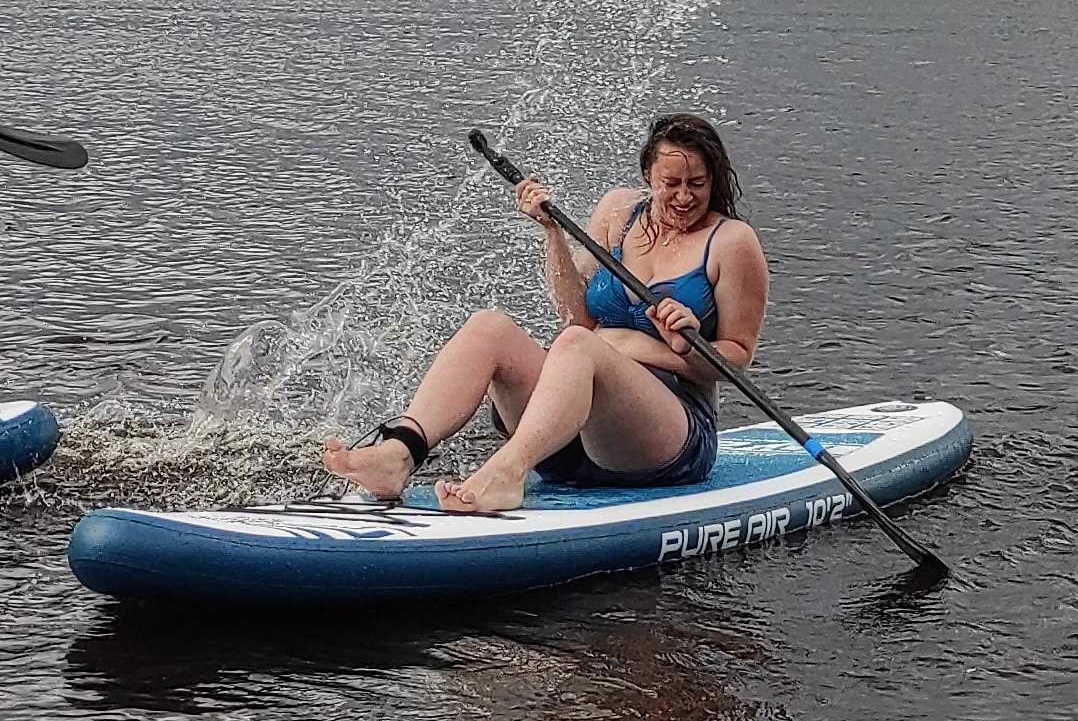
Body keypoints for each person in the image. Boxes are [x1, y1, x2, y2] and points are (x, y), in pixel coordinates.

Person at [323, 113, 766, 515]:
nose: (684, 197)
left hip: (668, 436)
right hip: (573, 436)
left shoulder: (732, 242)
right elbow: (578, 320)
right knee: (490, 327)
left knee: (577, 347)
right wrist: (552, 233)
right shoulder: (617, 212)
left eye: (698, 184)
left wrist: (685, 346)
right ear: (648, 174)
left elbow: (739, 356)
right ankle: (400, 454)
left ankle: (508, 473)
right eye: (671, 184)